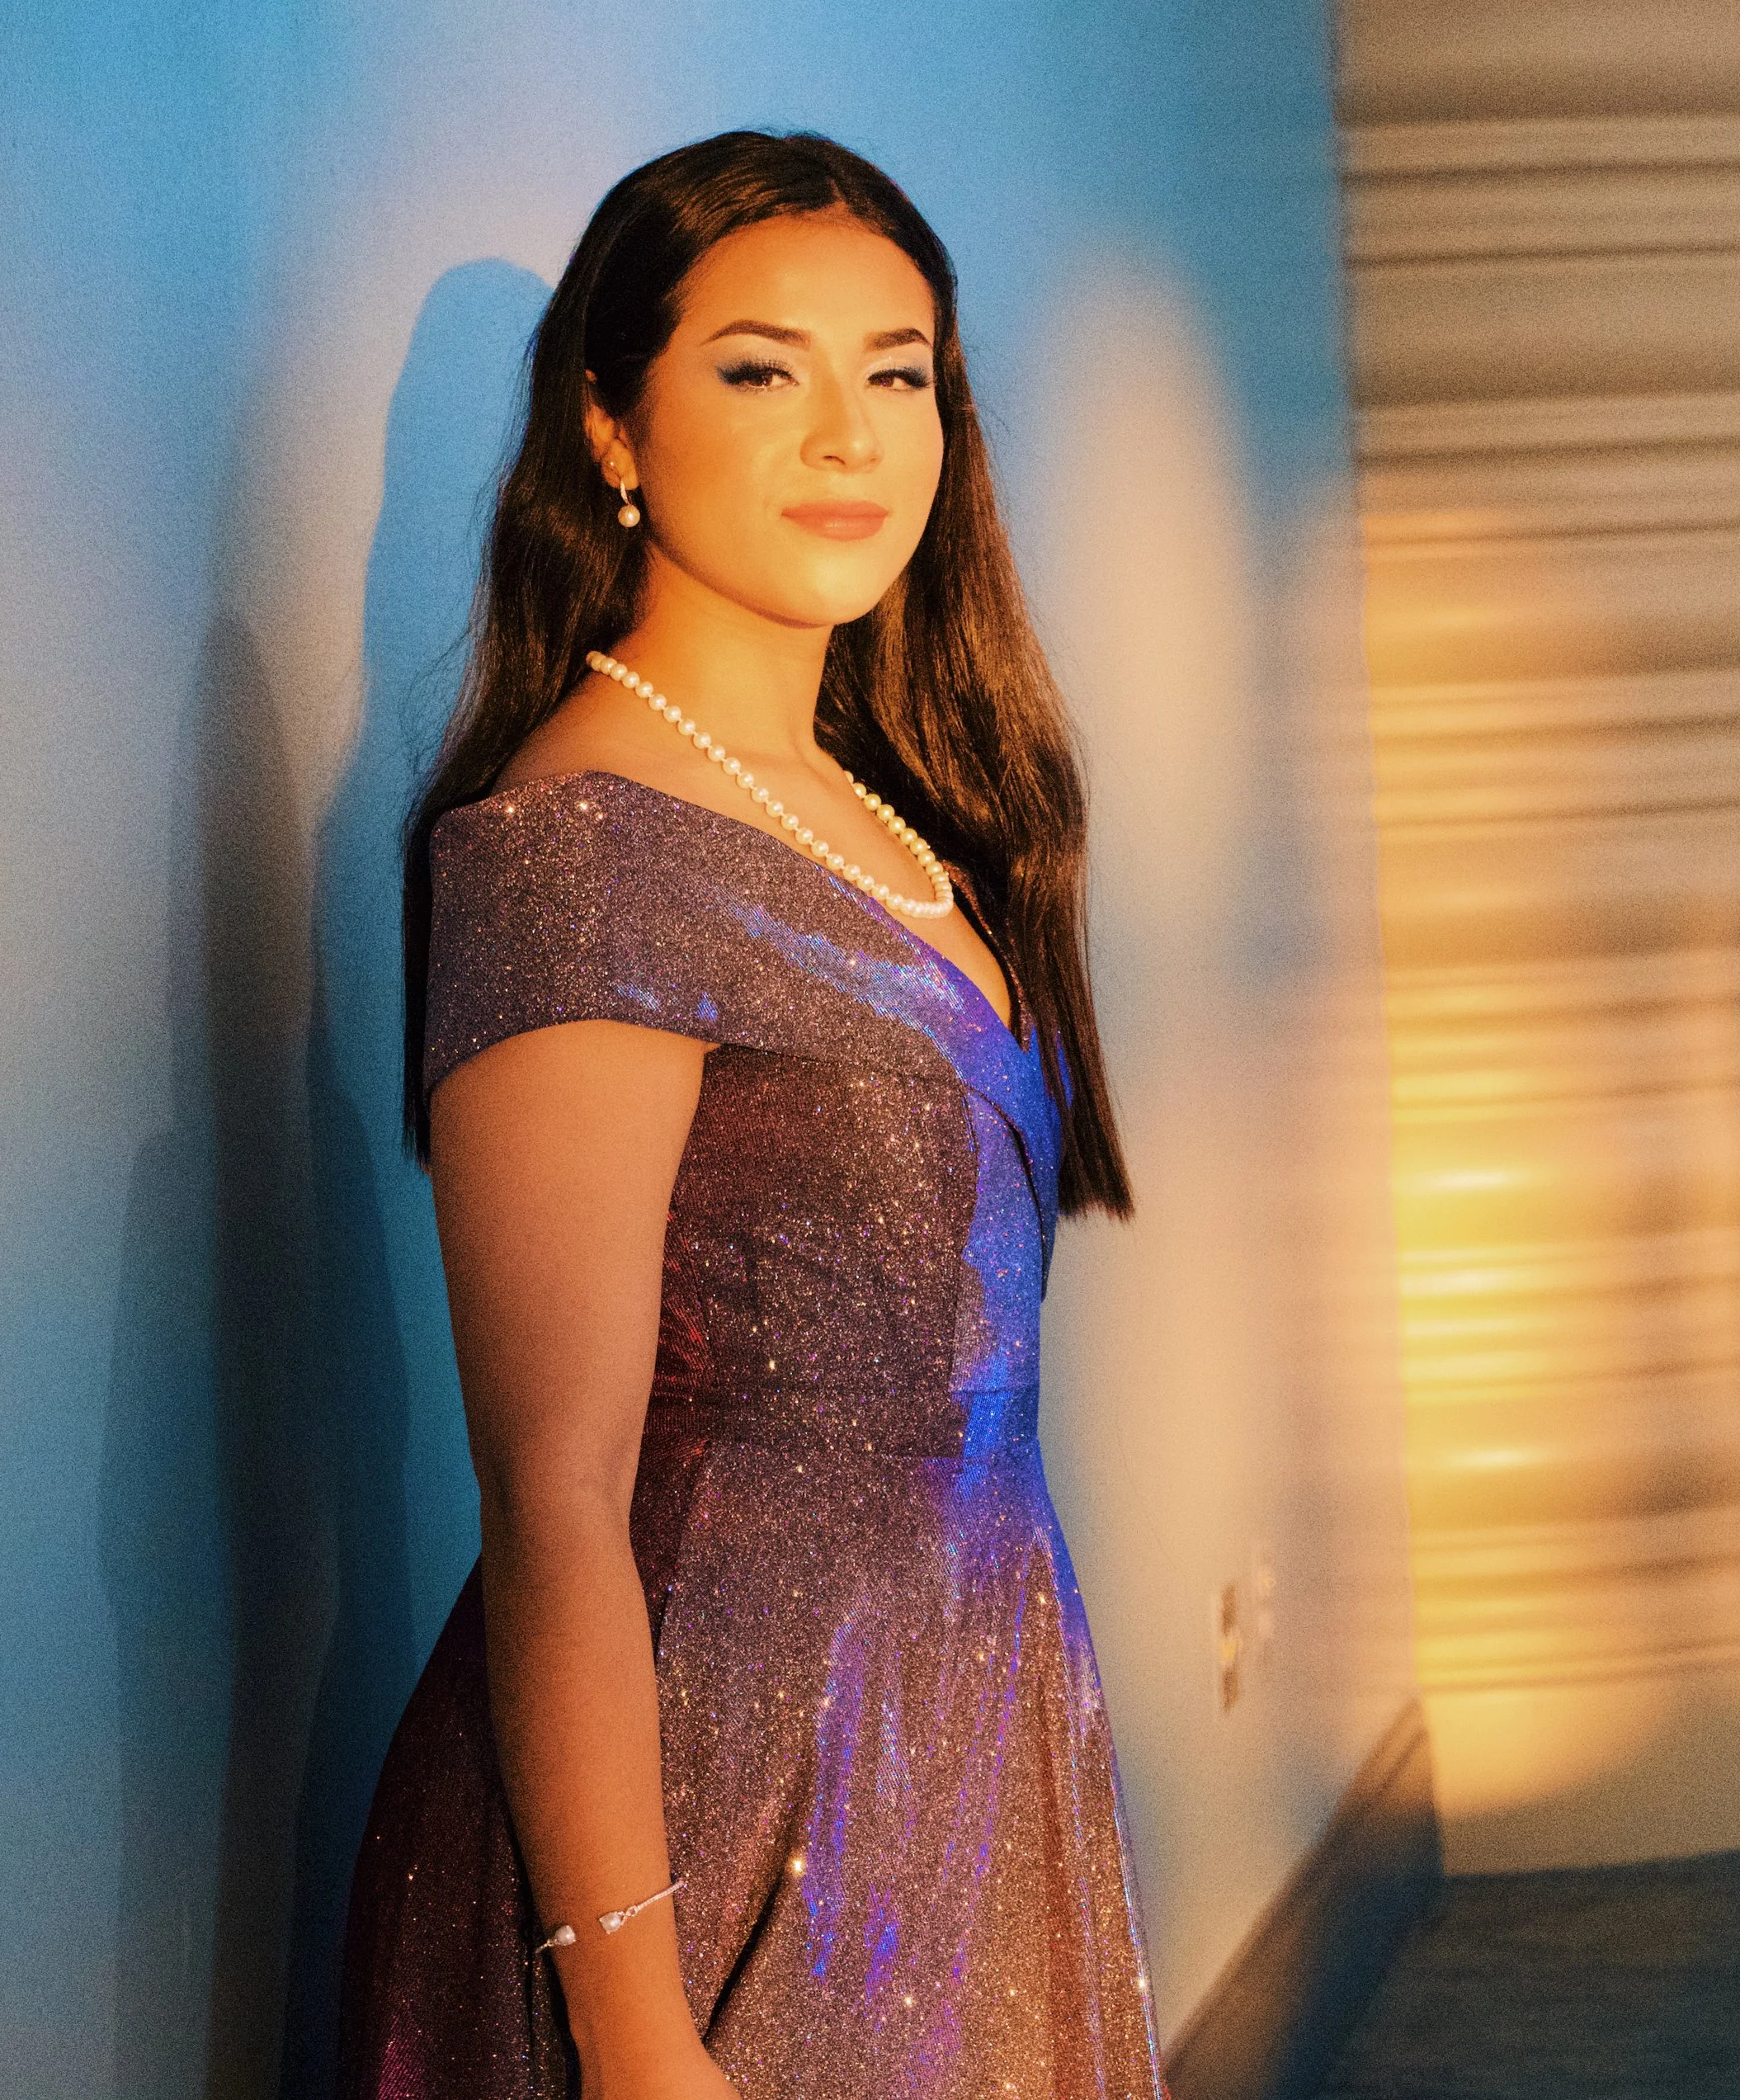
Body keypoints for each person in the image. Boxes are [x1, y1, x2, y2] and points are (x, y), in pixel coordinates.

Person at [337, 130, 1167, 2100]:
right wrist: (634, 2037)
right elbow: (551, 1495)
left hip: (961, 1719)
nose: (845, 435)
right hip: (712, 1801)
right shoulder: (577, 850)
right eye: (757, 368)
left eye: (896, 373)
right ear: (610, 428)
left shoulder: (893, 806)